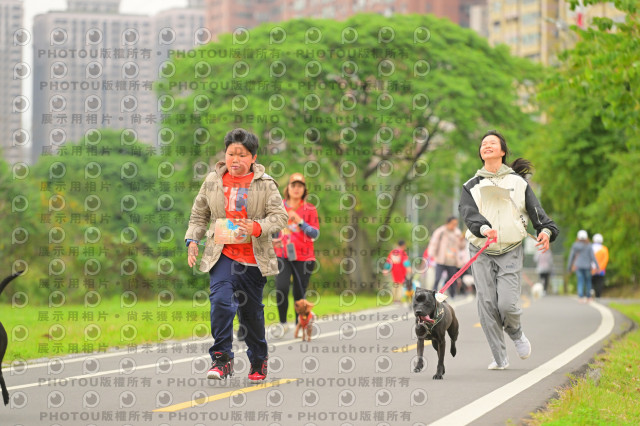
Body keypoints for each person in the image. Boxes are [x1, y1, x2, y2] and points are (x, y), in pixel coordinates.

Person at [185, 128, 288, 381]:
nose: (235, 160)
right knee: (220, 302)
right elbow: (199, 215)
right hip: (222, 254)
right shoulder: (213, 180)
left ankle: (259, 359)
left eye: (242, 155)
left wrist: (257, 227)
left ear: (253, 157)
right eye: (231, 154)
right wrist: (192, 240)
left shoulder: (266, 184)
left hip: (253, 258)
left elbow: (280, 217)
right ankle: (222, 359)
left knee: (251, 315)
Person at [459, 130, 559, 370]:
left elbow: (540, 217)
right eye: (483, 143)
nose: (487, 145)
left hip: (511, 250)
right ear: (481, 153)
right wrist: (484, 228)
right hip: (480, 249)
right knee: (486, 304)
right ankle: (499, 357)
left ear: (502, 151)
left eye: (492, 143)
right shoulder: (471, 185)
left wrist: (546, 232)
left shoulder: (518, 183)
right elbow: (468, 214)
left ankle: (515, 332)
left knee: (506, 304)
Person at [273, 173, 319, 333]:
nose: (296, 189)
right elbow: (272, 228)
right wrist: (273, 240)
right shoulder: (279, 207)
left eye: (300, 186)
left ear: (304, 190)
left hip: (304, 256)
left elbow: (315, 234)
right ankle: (283, 323)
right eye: (294, 185)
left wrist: (300, 221)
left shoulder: (310, 209)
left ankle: (300, 322)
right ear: (288, 188)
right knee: (281, 287)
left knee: (299, 291)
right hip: (282, 254)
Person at [427, 217, 466, 297]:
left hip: (452, 261)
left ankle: (452, 295)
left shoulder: (457, 233)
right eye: (453, 224)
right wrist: (431, 254)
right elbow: (434, 243)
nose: (454, 226)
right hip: (441, 259)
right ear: (448, 223)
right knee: (437, 278)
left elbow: (462, 247)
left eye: (456, 224)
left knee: (452, 280)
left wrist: (462, 240)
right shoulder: (440, 231)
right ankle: (434, 294)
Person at [567, 230, 599, 303]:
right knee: (588, 282)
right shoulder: (589, 245)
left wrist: (569, 268)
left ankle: (580, 297)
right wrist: (597, 266)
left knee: (580, 281)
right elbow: (593, 256)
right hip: (587, 266)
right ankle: (588, 297)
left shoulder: (575, 245)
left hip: (578, 266)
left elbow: (571, 257)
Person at [591, 233, 609, 298]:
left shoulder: (591, 248)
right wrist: (600, 267)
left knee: (591, 281)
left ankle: (591, 290)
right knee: (599, 282)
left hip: (591, 269)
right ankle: (598, 295)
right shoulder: (604, 249)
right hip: (601, 269)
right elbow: (605, 259)